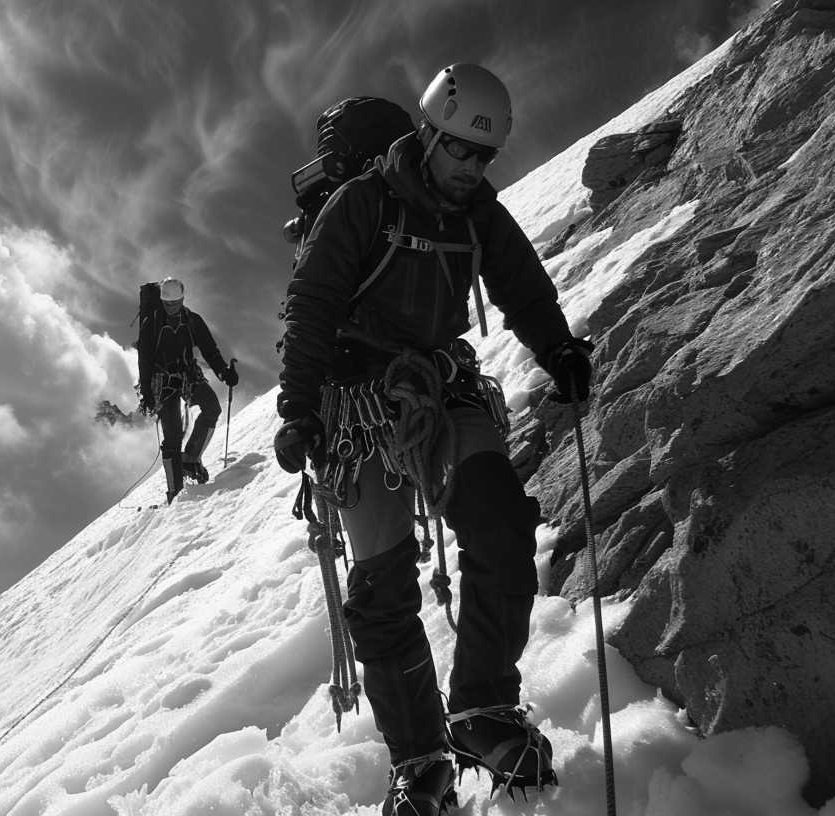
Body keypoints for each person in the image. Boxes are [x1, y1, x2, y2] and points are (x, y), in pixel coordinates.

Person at [273, 64, 593, 814]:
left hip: (441, 383)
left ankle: (481, 708)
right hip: (354, 403)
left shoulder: (477, 211)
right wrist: (298, 408)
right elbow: (312, 303)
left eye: (485, 157)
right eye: (461, 151)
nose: (473, 168)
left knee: (503, 524)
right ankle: (420, 764)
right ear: (427, 134)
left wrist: (560, 351)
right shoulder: (362, 203)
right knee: (381, 591)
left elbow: (522, 284)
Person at [137, 277, 238, 502]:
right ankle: (175, 492)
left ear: (182, 299)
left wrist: (223, 371)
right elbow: (144, 357)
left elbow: (209, 349)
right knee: (172, 436)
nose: (170, 307)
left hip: (186, 373)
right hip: (161, 379)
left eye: (174, 303)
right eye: (166, 303)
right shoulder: (152, 322)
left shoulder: (192, 320)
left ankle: (190, 459)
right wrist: (146, 390)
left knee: (212, 408)